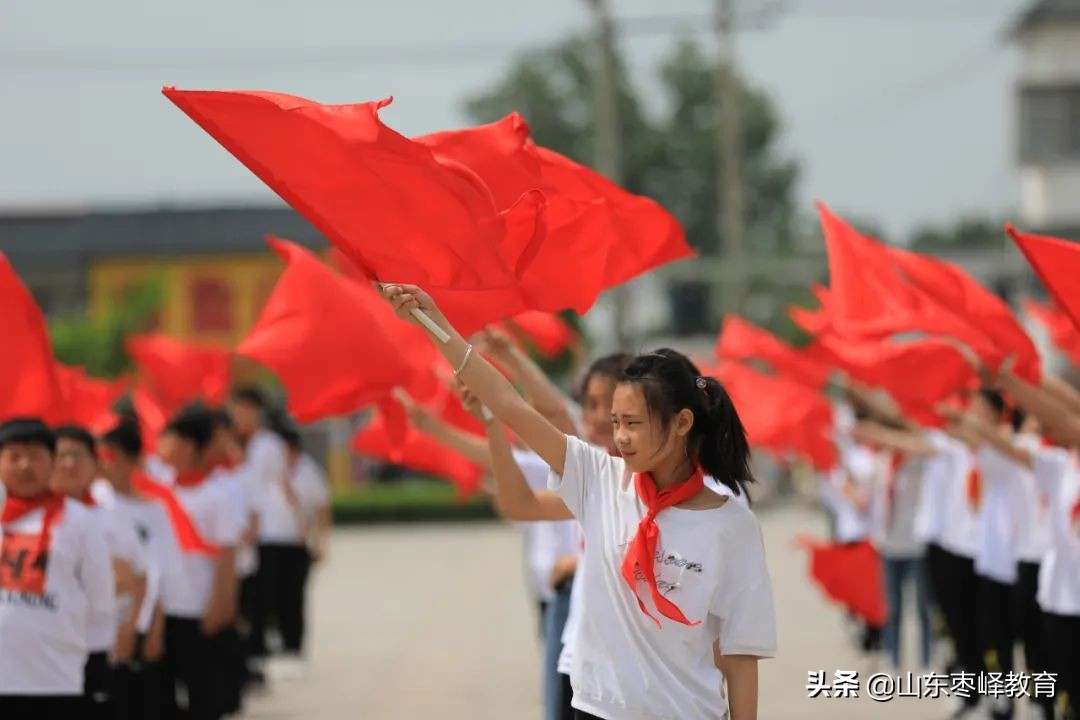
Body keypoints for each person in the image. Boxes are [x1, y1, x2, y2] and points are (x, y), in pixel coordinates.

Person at [383, 285, 777, 720]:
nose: (620, 437)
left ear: (683, 422)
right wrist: (433, 322)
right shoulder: (600, 479)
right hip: (596, 710)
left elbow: (740, 655)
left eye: (633, 424)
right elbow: (509, 403)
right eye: (615, 422)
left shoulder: (732, 524)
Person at [0, 418, 115, 719]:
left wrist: (95, 662)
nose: (25, 465)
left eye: (36, 456)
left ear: (52, 462)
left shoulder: (81, 522)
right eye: (14, 456)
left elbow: (101, 601)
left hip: (53, 678)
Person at [51, 425, 148, 720]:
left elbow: (136, 577)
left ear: (96, 465)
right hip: (47, 647)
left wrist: (129, 626)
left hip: (95, 642)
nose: (69, 464)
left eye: (78, 455)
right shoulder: (28, 519)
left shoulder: (110, 517)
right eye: (60, 455)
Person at [156, 410, 243, 720]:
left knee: (204, 694)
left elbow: (227, 556)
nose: (161, 445)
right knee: (162, 694)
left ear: (190, 446)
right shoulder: (158, 491)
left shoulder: (216, 495)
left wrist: (221, 603)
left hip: (200, 609)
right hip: (163, 610)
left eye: (168, 439)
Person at [97, 419, 181, 720]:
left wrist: (155, 624)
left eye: (115, 457)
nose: (108, 465)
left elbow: (161, 570)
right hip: (99, 621)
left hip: (139, 619)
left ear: (134, 461)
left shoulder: (154, 510)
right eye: (104, 456)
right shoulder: (95, 503)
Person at [261, 411, 331, 678]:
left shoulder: (308, 471)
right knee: (271, 597)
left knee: (294, 597)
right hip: (269, 543)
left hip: (296, 544)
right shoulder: (268, 471)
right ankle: (275, 646)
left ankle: (294, 646)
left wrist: (322, 543)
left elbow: (322, 510)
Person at [227, 386, 289, 680]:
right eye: (236, 410)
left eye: (245, 410)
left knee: (259, 600)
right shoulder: (228, 444)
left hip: (266, 529)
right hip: (237, 532)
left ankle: (257, 657)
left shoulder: (270, 445)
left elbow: (278, 485)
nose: (240, 416)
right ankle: (242, 659)